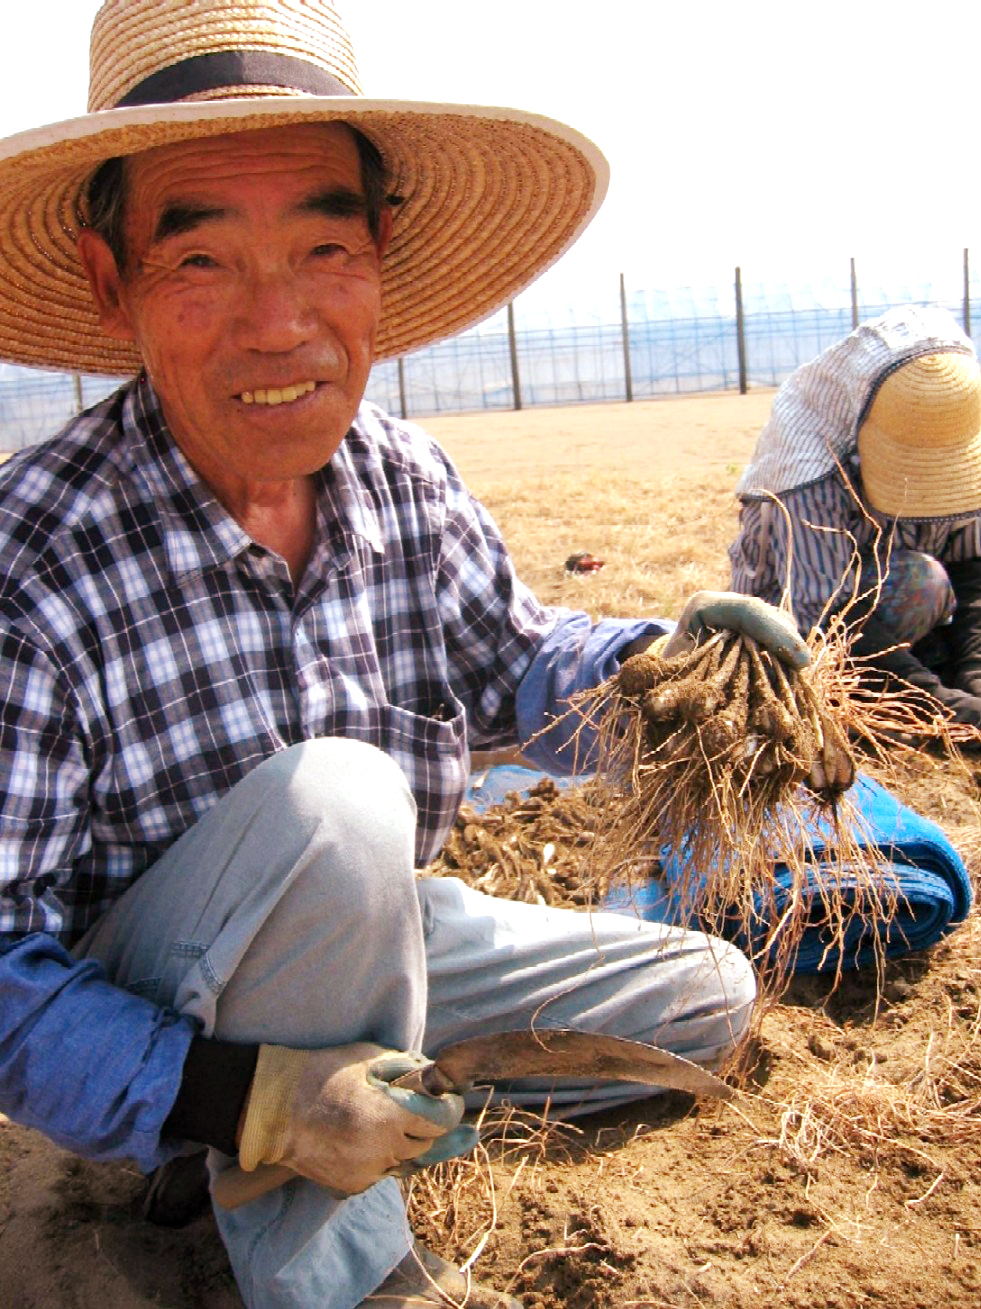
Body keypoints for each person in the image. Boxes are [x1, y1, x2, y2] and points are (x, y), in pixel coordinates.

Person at [0, 4, 810, 1307]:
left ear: (378, 254)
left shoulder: (404, 480)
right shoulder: (30, 565)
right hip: (162, 1011)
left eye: (324, 246)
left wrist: (675, 681)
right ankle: (319, 1240)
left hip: (385, 942)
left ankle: (353, 1101)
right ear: (112, 283)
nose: (280, 324)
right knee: (338, 799)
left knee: (704, 1001)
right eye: (203, 260)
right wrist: (245, 1096)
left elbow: (521, 662)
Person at [729, 304, 981, 730]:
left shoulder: (950, 429)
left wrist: (974, 676)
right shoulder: (805, 471)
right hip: (810, 634)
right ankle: (873, 698)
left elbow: (971, 572)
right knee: (922, 579)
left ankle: (920, 671)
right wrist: (940, 708)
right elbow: (825, 615)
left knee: (933, 582)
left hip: (898, 622)